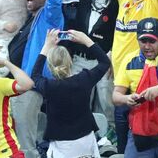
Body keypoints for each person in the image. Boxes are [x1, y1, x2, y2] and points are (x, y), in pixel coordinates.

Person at [28, 28, 111, 158]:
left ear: (50, 66)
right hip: (86, 141)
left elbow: (35, 75)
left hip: (62, 146)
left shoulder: (49, 86)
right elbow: (105, 62)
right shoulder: (84, 79)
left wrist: (46, 46)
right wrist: (86, 40)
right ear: (70, 61)